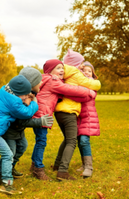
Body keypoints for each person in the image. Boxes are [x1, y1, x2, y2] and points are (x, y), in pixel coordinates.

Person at [30, 59, 94, 180]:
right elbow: (71, 89)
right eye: (58, 68)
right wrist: (88, 91)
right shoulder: (53, 80)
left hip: (38, 113)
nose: (62, 70)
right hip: (43, 115)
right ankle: (45, 169)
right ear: (50, 71)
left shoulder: (45, 79)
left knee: (40, 141)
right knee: (43, 142)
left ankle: (36, 165)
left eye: (62, 68)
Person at [0, 67, 54, 185]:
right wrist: (40, 121)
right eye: (39, 81)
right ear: (31, 84)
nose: (41, 83)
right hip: (10, 131)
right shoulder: (21, 98)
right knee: (10, 152)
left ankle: (10, 168)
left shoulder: (31, 94)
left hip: (18, 131)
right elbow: (21, 120)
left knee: (22, 147)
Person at [53, 49, 101, 181]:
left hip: (59, 111)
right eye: (80, 63)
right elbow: (93, 84)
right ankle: (63, 171)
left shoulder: (63, 73)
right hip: (69, 111)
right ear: (75, 63)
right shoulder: (75, 73)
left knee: (68, 139)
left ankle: (57, 165)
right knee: (72, 141)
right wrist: (96, 85)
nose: (82, 67)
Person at [74, 61, 100, 178]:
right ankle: (84, 164)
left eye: (89, 71)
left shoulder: (93, 85)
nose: (87, 73)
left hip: (88, 116)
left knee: (84, 140)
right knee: (80, 141)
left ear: (93, 74)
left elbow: (85, 95)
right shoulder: (79, 83)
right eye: (84, 71)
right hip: (78, 116)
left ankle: (89, 167)